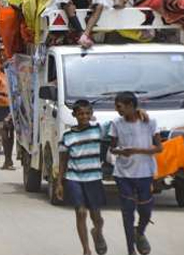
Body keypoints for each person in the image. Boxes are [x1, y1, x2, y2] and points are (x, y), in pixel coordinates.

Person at [109, 92, 162, 255]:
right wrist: (120, 152)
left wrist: (137, 151)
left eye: (119, 106)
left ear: (131, 106)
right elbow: (112, 148)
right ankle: (130, 250)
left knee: (145, 210)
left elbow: (159, 148)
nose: (117, 110)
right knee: (128, 212)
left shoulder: (149, 122)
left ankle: (139, 232)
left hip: (145, 172)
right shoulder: (116, 123)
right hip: (123, 174)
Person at [55, 100, 108, 255]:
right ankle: (86, 249)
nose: (84, 116)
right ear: (74, 115)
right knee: (81, 212)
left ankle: (97, 232)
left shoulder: (99, 131)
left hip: (94, 178)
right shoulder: (67, 136)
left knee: (96, 216)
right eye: (80, 114)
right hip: (74, 178)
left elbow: (119, 124)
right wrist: (60, 183)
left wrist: (140, 113)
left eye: (87, 113)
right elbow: (63, 161)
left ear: (91, 114)